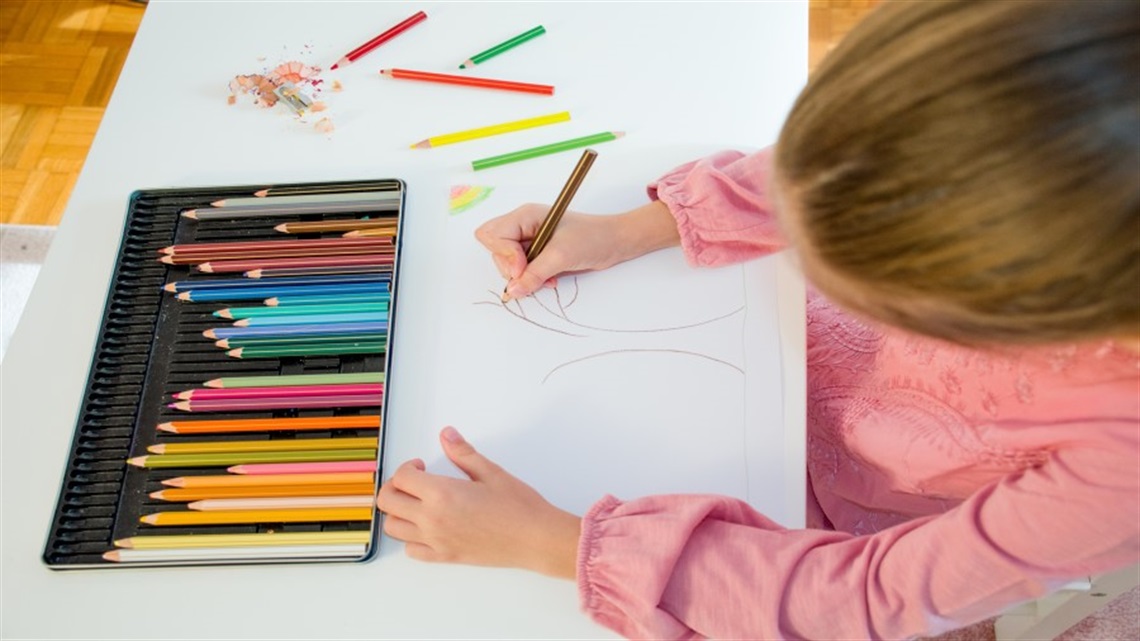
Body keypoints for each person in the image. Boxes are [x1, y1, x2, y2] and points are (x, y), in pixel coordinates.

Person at [375, 1, 1140, 638]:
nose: (807, 241)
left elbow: (868, 598)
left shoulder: (1120, 470)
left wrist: (551, 541)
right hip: (767, 374)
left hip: (845, 518)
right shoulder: (1063, 101)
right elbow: (841, 167)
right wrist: (628, 231)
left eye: (863, 267)